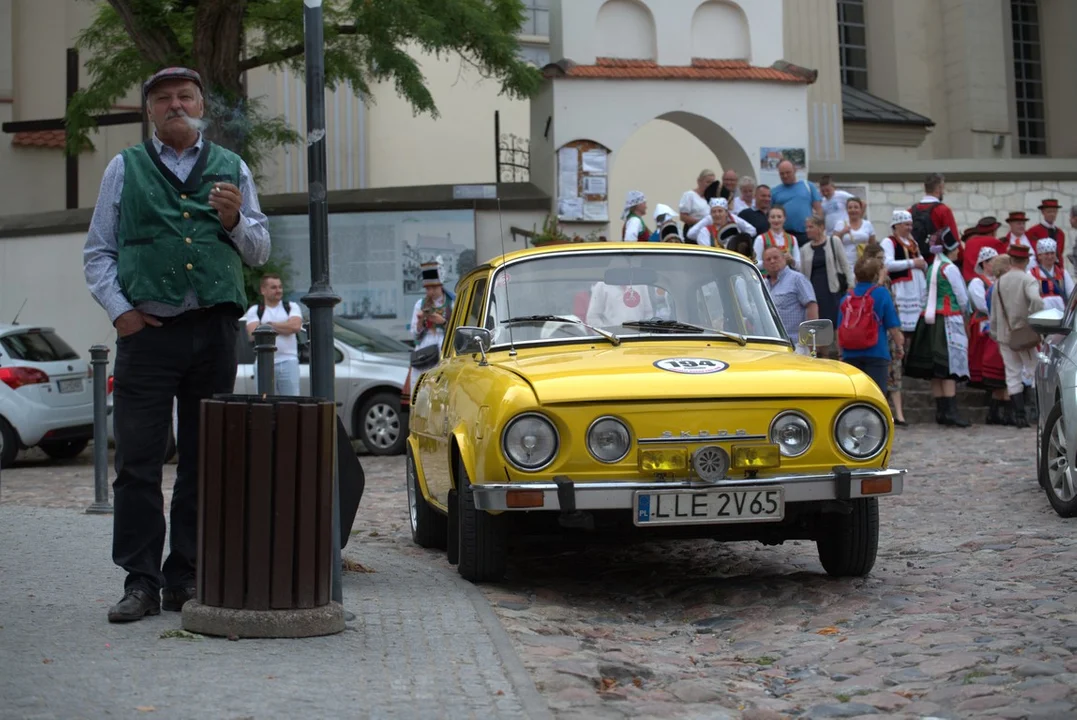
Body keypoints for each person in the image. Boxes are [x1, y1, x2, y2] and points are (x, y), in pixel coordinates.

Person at [83, 67, 271, 623]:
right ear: (149, 111)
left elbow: (259, 250)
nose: (174, 105)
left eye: (184, 96)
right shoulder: (125, 167)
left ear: (201, 104)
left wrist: (234, 219)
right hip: (149, 334)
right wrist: (122, 314)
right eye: (162, 98)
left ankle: (184, 575)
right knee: (138, 461)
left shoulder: (232, 168)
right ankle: (140, 580)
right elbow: (99, 252)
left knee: (202, 461)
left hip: (212, 332)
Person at [904, 228, 971, 427]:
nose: (959, 251)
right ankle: (950, 411)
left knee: (936, 369)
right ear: (951, 248)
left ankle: (942, 412)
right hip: (947, 319)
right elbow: (961, 296)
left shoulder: (933, 267)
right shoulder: (949, 268)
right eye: (957, 248)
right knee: (947, 366)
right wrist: (966, 313)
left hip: (929, 320)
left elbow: (925, 295)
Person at [989, 244, 1043, 428]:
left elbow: (994, 313)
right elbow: (1036, 300)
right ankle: (1038, 412)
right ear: (1027, 260)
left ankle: (1020, 416)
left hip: (1005, 334)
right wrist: (1035, 321)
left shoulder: (998, 282)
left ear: (1011, 260)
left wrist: (995, 333)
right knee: (1035, 370)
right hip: (1024, 333)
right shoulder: (1028, 280)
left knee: (1012, 374)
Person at [837, 255, 903, 394]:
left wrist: (840, 354)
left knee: (855, 395)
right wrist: (899, 347)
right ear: (875, 275)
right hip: (876, 352)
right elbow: (892, 326)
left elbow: (840, 329)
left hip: (850, 354)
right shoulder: (882, 294)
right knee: (876, 395)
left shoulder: (846, 298)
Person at [862, 244, 907, 425]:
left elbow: (891, 304)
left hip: (889, 329)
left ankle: (899, 413)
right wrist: (879, 280)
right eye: (879, 258)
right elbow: (872, 298)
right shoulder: (864, 279)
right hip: (873, 332)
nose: (883, 262)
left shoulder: (886, 280)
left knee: (895, 370)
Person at [966, 248, 1009, 424]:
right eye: (992, 261)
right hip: (984, 324)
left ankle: (998, 407)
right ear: (984, 263)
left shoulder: (1000, 281)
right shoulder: (977, 282)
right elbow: (981, 304)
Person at [242, 273, 304, 395]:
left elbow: (295, 327)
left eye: (280, 287)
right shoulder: (255, 310)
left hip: (289, 361)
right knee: (265, 404)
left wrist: (268, 325)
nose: (278, 290)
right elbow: (253, 334)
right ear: (263, 290)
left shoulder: (291, 307)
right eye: (273, 287)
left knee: (290, 404)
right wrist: (284, 326)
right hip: (263, 363)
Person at [799, 215, 852, 357]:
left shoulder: (834, 241)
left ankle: (841, 355)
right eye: (807, 227)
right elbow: (802, 272)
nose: (807, 230)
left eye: (811, 227)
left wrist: (851, 285)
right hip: (814, 290)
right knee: (819, 324)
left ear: (821, 227)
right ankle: (824, 357)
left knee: (835, 322)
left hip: (832, 289)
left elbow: (845, 264)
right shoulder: (805, 249)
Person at [881, 210, 928, 336]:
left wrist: (923, 265)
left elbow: (921, 261)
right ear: (896, 225)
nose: (909, 228)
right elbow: (887, 264)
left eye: (910, 225)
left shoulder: (913, 243)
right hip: (902, 286)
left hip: (917, 286)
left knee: (917, 326)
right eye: (906, 225)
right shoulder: (889, 242)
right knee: (902, 324)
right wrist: (912, 263)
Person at [762, 245, 818, 339]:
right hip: (771, 342)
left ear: (784, 259)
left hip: (796, 343)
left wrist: (810, 339)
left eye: (776, 257)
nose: (772, 261)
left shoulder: (797, 279)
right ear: (764, 264)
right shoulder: (763, 285)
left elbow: (811, 306)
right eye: (768, 259)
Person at [908, 172, 960, 263]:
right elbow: (953, 240)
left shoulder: (910, 211)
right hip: (939, 263)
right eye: (943, 188)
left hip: (917, 262)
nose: (943, 192)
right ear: (939, 188)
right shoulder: (943, 210)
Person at [768, 160, 822, 247]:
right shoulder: (774, 191)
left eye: (788, 172)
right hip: (784, 236)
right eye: (782, 173)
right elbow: (770, 213)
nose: (785, 176)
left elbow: (818, 209)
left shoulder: (808, 186)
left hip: (806, 234)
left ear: (795, 170)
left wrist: (819, 229)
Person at [411, 259, 453, 362]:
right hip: (426, 349)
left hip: (446, 348)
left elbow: (459, 331)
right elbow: (414, 334)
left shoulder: (453, 303)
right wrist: (420, 321)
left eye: (434, 288)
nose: (431, 292)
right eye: (428, 288)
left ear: (441, 285)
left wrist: (443, 322)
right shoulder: (420, 304)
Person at [753, 204, 801, 273]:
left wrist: (792, 260)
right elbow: (754, 263)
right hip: (767, 280)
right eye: (772, 217)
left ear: (784, 218)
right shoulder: (761, 239)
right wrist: (769, 262)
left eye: (779, 217)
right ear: (768, 219)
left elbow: (799, 266)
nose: (776, 220)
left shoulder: (792, 239)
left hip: (787, 280)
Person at [1029, 238, 1073, 313]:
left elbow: (1072, 295)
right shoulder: (1032, 273)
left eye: (1052, 253)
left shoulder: (1063, 273)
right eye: (1046, 253)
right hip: (1040, 315)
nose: (1050, 256)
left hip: (1061, 315)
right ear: (1039, 256)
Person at [833, 196, 875, 269]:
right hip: (845, 263)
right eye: (850, 207)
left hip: (863, 263)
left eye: (856, 207)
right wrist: (842, 232)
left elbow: (872, 245)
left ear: (861, 209)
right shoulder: (840, 224)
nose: (853, 210)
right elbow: (833, 242)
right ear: (847, 210)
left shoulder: (867, 224)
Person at [961, 216, 1006, 281]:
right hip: (987, 282)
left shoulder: (969, 243)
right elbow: (1003, 264)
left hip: (969, 281)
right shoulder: (996, 242)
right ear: (993, 232)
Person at [1027, 198, 1067, 264]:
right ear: (1043, 212)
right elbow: (1034, 252)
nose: (1052, 214)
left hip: (1057, 269)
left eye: (1054, 211)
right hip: (1039, 268)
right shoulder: (1033, 231)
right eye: (1049, 211)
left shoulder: (1060, 233)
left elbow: (1060, 254)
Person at [678, 169, 716, 233]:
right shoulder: (690, 195)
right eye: (707, 182)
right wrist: (701, 223)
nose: (710, 185)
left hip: (709, 231)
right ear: (699, 181)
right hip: (693, 230)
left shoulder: (713, 198)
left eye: (712, 183)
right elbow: (683, 216)